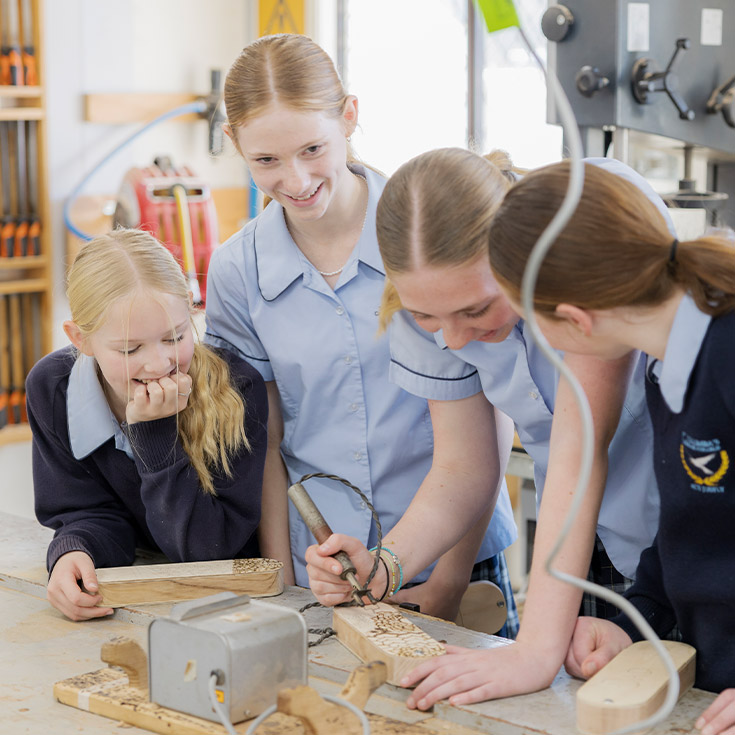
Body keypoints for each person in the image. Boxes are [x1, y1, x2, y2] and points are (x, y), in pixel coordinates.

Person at [305, 147, 674, 709]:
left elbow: (582, 447)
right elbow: (463, 465)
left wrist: (532, 652)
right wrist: (385, 565)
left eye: (476, 310)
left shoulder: (579, 237)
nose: (452, 339)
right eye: (429, 316)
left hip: (679, 530)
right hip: (575, 537)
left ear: (518, 258)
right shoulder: (424, 305)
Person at [203, 33, 519, 631]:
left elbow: (484, 426)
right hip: (326, 569)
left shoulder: (424, 233)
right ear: (234, 144)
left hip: (455, 558)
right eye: (265, 161)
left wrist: (449, 581)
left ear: (349, 116)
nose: (295, 181)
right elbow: (264, 444)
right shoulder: (236, 271)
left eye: (312, 148)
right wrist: (283, 582)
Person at [487, 160, 735, 735]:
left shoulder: (724, 352)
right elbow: (689, 531)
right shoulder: (665, 366)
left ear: (576, 321)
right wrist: (638, 617)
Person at [28, 228, 268, 621]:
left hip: (230, 605)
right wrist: (74, 549)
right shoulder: (52, 388)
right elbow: (87, 512)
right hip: (137, 600)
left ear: (191, 308)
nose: (158, 365)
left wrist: (155, 437)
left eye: (174, 338)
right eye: (129, 349)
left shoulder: (237, 389)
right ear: (80, 339)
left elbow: (208, 552)